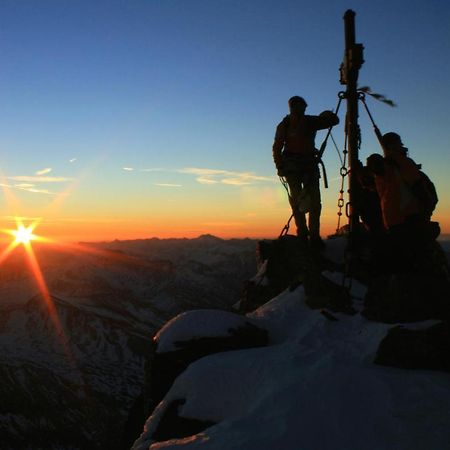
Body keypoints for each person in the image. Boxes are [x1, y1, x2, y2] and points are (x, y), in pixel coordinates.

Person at [272, 96, 339, 248]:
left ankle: (309, 235)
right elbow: (277, 147)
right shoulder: (292, 124)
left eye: (300, 106)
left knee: (307, 201)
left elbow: (277, 147)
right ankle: (306, 234)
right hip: (299, 166)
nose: (298, 109)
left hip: (300, 165)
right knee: (305, 201)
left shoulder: (303, 122)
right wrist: (280, 166)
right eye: (296, 106)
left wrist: (280, 166)